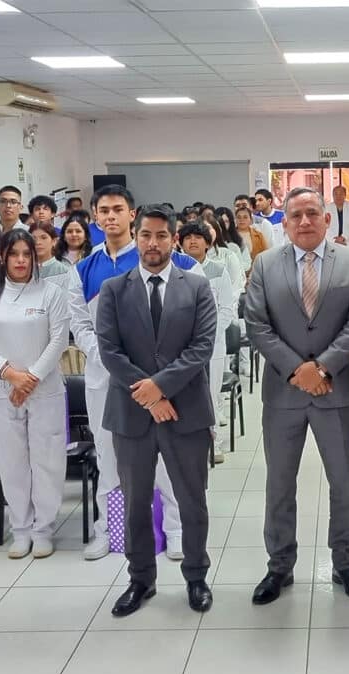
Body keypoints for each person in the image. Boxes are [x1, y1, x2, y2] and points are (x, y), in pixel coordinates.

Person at [244, 186, 349, 606]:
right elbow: (257, 324)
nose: (304, 221)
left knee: (343, 482)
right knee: (279, 483)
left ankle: (345, 562)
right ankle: (278, 565)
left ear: (326, 218)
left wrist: (322, 368)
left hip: (336, 391)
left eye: (312, 213)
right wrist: (297, 370)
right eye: (295, 215)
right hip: (283, 393)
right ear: (284, 222)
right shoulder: (264, 264)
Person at [95, 204, 217, 617]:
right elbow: (109, 351)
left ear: (174, 238)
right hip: (131, 414)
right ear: (136, 235)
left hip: (187, 412)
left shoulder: (197, 286)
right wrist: (149, 395)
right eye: (145, 235)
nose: (153, 243)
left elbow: (201, 348)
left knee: (191, 499)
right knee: (135, 503)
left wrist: (161, 388)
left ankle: (197, 577)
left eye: (162, 236)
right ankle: (140, 579)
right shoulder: (114, 289)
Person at [73, 191, 198, 562]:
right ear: (95, 217)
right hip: (105, 381)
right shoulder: (84, 268)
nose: (111, 217)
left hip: (159, 381)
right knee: (108, 456)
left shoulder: (163, 260)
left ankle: (173, 529)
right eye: (104, 211)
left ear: (132, 215)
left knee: (165, 456)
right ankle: (111, 530)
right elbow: (79, 324)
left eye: (118, 210)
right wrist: (110, 361)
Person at [0, 230, 69, 559]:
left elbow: (59, 339)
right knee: (12, 462)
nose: (22, 260)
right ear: (2, 256)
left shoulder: (51, 293)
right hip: (2, 390)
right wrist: (11, 375)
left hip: (45, 389)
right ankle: (21, 529)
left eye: (27, 254)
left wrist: (32, 377)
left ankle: (43, 529)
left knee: (47, 459)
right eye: (14, 254)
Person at [179, 221, 238, 461]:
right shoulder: (175, 269)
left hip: (212, 343)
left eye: (198, 237)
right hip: (182, 345)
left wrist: (208, 335)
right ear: (180, 243)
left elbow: (226, 307)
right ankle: (187, 444)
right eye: (188, 237)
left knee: (211, 395)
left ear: (207, 242)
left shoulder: (218, 269)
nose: (193, 241)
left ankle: (215, 443)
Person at [213, 206, 252, 272]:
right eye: (221, 221)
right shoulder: (209, 240)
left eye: (226, 221)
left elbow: (247, 263)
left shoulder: (237, 241)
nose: (223, 224)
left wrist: (234, 267)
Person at [234, 206, 270, 271]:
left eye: (245, 217)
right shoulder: (229, 236)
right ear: (235, 220)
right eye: (239, 217)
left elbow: (266, 256)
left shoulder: (259, 236)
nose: (241, 220)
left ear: (250, 220)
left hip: (255, 273)